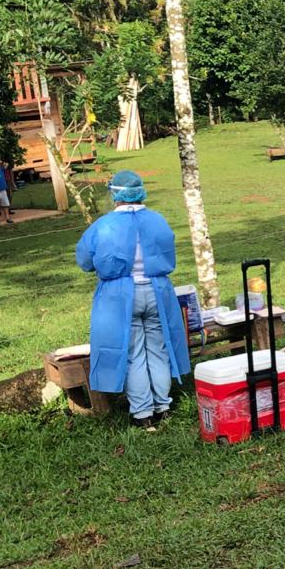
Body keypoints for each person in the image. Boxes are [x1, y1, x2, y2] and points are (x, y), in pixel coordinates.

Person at [75, 170, 190, 426]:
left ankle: (142, 413)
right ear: (141, 192)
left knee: (133, 354)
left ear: (115, 195)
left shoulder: (104, 225)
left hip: (120, 296)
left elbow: (84, 260)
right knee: (159, 350)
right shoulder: (158, 220)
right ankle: (162, 406)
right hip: (158, 291)